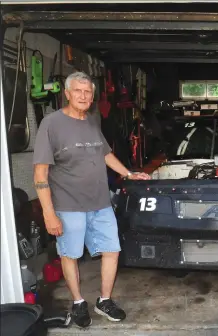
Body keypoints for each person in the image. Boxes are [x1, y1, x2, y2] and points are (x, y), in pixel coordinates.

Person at [33, 71, 151, 327]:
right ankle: (77, 303)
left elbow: (105, 155)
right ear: (67, 93)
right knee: (70, 255)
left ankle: (104, 300)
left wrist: (129, 173)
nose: (83, 96)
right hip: (67, 205)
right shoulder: (51, 124)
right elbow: (40, 173)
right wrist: (48, 213)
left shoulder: (91, 121)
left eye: (88, 92)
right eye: (78, 91)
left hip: (100, 203)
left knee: (112, 251)